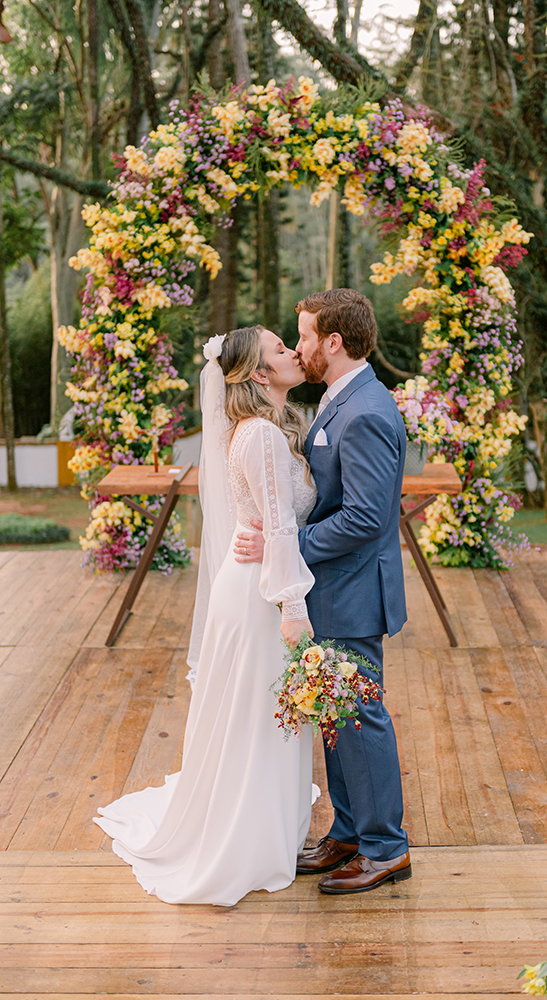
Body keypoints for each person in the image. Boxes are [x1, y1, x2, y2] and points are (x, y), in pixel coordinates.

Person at [93, 325, 317, 906]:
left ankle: (262, 821)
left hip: (250, 582)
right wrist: (294, 607)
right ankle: (249, 837)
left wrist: (270, 549)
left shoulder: (260, 429)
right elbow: (281, 523)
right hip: (263, 596)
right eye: (278, 349)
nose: (292, 351)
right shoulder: (262, 435)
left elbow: (270, 525)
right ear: (259, 375)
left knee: (260, 711)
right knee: (262, 712)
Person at [235, 288, 411, 895]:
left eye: (305, 336)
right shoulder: (341, 400)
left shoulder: (365, 410)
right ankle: (349, 832)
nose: (299, 346)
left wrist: (290, 546)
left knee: (360, 715)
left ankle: (386, 848)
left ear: (333, 342)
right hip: (332, 588)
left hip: (355, 589)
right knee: (335, 713)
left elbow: (365, 517)